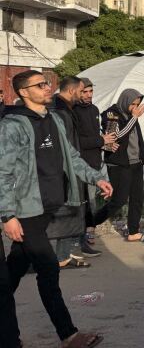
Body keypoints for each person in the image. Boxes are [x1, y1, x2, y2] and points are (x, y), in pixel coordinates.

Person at [0, 69, 113, 348]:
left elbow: (71, 158)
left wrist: (95, 177)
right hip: (26, 211)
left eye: (47, 83)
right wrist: (7, 215)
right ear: (23, 92)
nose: (47, 87)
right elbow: (3, 172)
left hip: (49, 206)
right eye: (39, 85)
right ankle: (69, 335)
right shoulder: (13, 125)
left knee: (13, 270)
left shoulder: (54, 119)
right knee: (49, 270)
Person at [91, 89, 144, 242]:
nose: (135, 107)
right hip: (119, 163)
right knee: (119, 200)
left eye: (137, 104)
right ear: (125, 101)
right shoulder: (112, 114)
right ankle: (90, 224)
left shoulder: (131, 115)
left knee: (137, 198)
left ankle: (133, 231)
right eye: (132, 104)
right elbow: (115, 136)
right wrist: (134, 118)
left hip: (135, 162)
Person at [51, 76, 99, 264]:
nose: (84, 95)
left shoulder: (68, 110)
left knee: (76, 209)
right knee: (63, 211)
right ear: (72, 91)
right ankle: (42, 258)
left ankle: (63, 255)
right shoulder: (59, 112)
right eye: (81, 91)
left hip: (76, 167)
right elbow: (67, 147)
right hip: (63, 170)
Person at [73, 78, 117, 252]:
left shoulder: (94, 109)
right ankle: (80, 240)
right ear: (77, 91)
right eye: (85, 92)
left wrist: (106, 143)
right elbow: (75, 141)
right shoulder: (73, 112)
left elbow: (96, 134)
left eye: (91, 91)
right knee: (83, 203)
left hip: (96, 162)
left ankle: (88, 232)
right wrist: (100, 140)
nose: (88, 95)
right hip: (81, 164)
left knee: (97, 201)